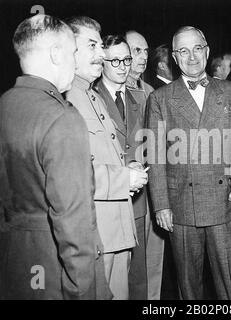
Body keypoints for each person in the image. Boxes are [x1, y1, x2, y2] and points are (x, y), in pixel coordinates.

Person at [0, 14, 111, 299]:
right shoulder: (61, 117)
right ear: (56, 53)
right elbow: (73, 223)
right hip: (53, 270)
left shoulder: (5, 104)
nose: (75, 62)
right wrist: (83, 291)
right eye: (74, 52)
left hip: (14, 262)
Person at [146, 26, 231, 299]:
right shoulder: (160, 98)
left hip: (224, 203)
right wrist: (161, 204)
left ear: (207, 52)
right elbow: (157, 157)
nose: (192, 57)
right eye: (183, 51)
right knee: (188, 285)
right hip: (181, 204)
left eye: (197, 48)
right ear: (174, 57)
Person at [65, 17, 148, 300]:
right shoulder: (67, 98)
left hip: (117, 226)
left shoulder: (91, 96)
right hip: (98, 229)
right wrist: (125, 177)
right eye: (93, 46)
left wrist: (128, 168)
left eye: (101, 46)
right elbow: (72, 173)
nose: (101, 55)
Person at [93, 34, 149, 299]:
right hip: (107, 201)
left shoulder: (142, 96)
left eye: (127, 59)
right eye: (114, 60)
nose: (123, 66)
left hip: (137, 200)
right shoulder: (90, 98)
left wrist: (142, 159)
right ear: (101, 61)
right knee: (106, 280)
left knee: (137, 276)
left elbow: (153, 141)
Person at [125, 30, 164, 300]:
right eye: (136, 51)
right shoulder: (109, 90)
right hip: (128, 187)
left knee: (154, 256)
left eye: (145, 51)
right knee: (130, 262)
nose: (142, 57)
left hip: (153, 186)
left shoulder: (151, 92)